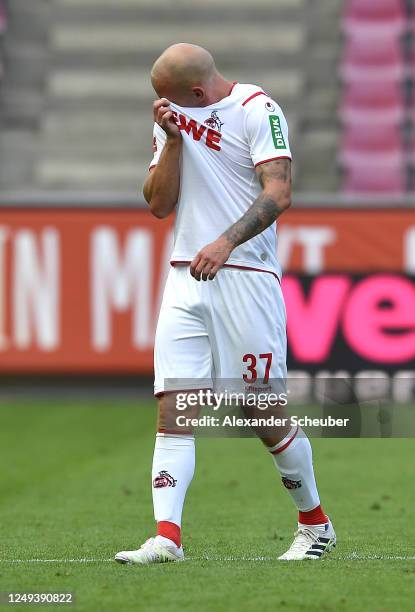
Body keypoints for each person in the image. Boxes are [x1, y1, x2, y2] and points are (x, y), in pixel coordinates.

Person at [115, 43, 336, 564]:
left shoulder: (258, 109)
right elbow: (158, 204)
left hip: (245, 275)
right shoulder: (174, 117)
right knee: (173, 408)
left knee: (261, 410)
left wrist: (226, 242)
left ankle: (316, 524)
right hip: (184, 276)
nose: (164, 108)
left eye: (170, 102)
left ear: (197, 91)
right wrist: (170, 141)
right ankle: (167, 536)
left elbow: (279, 192)